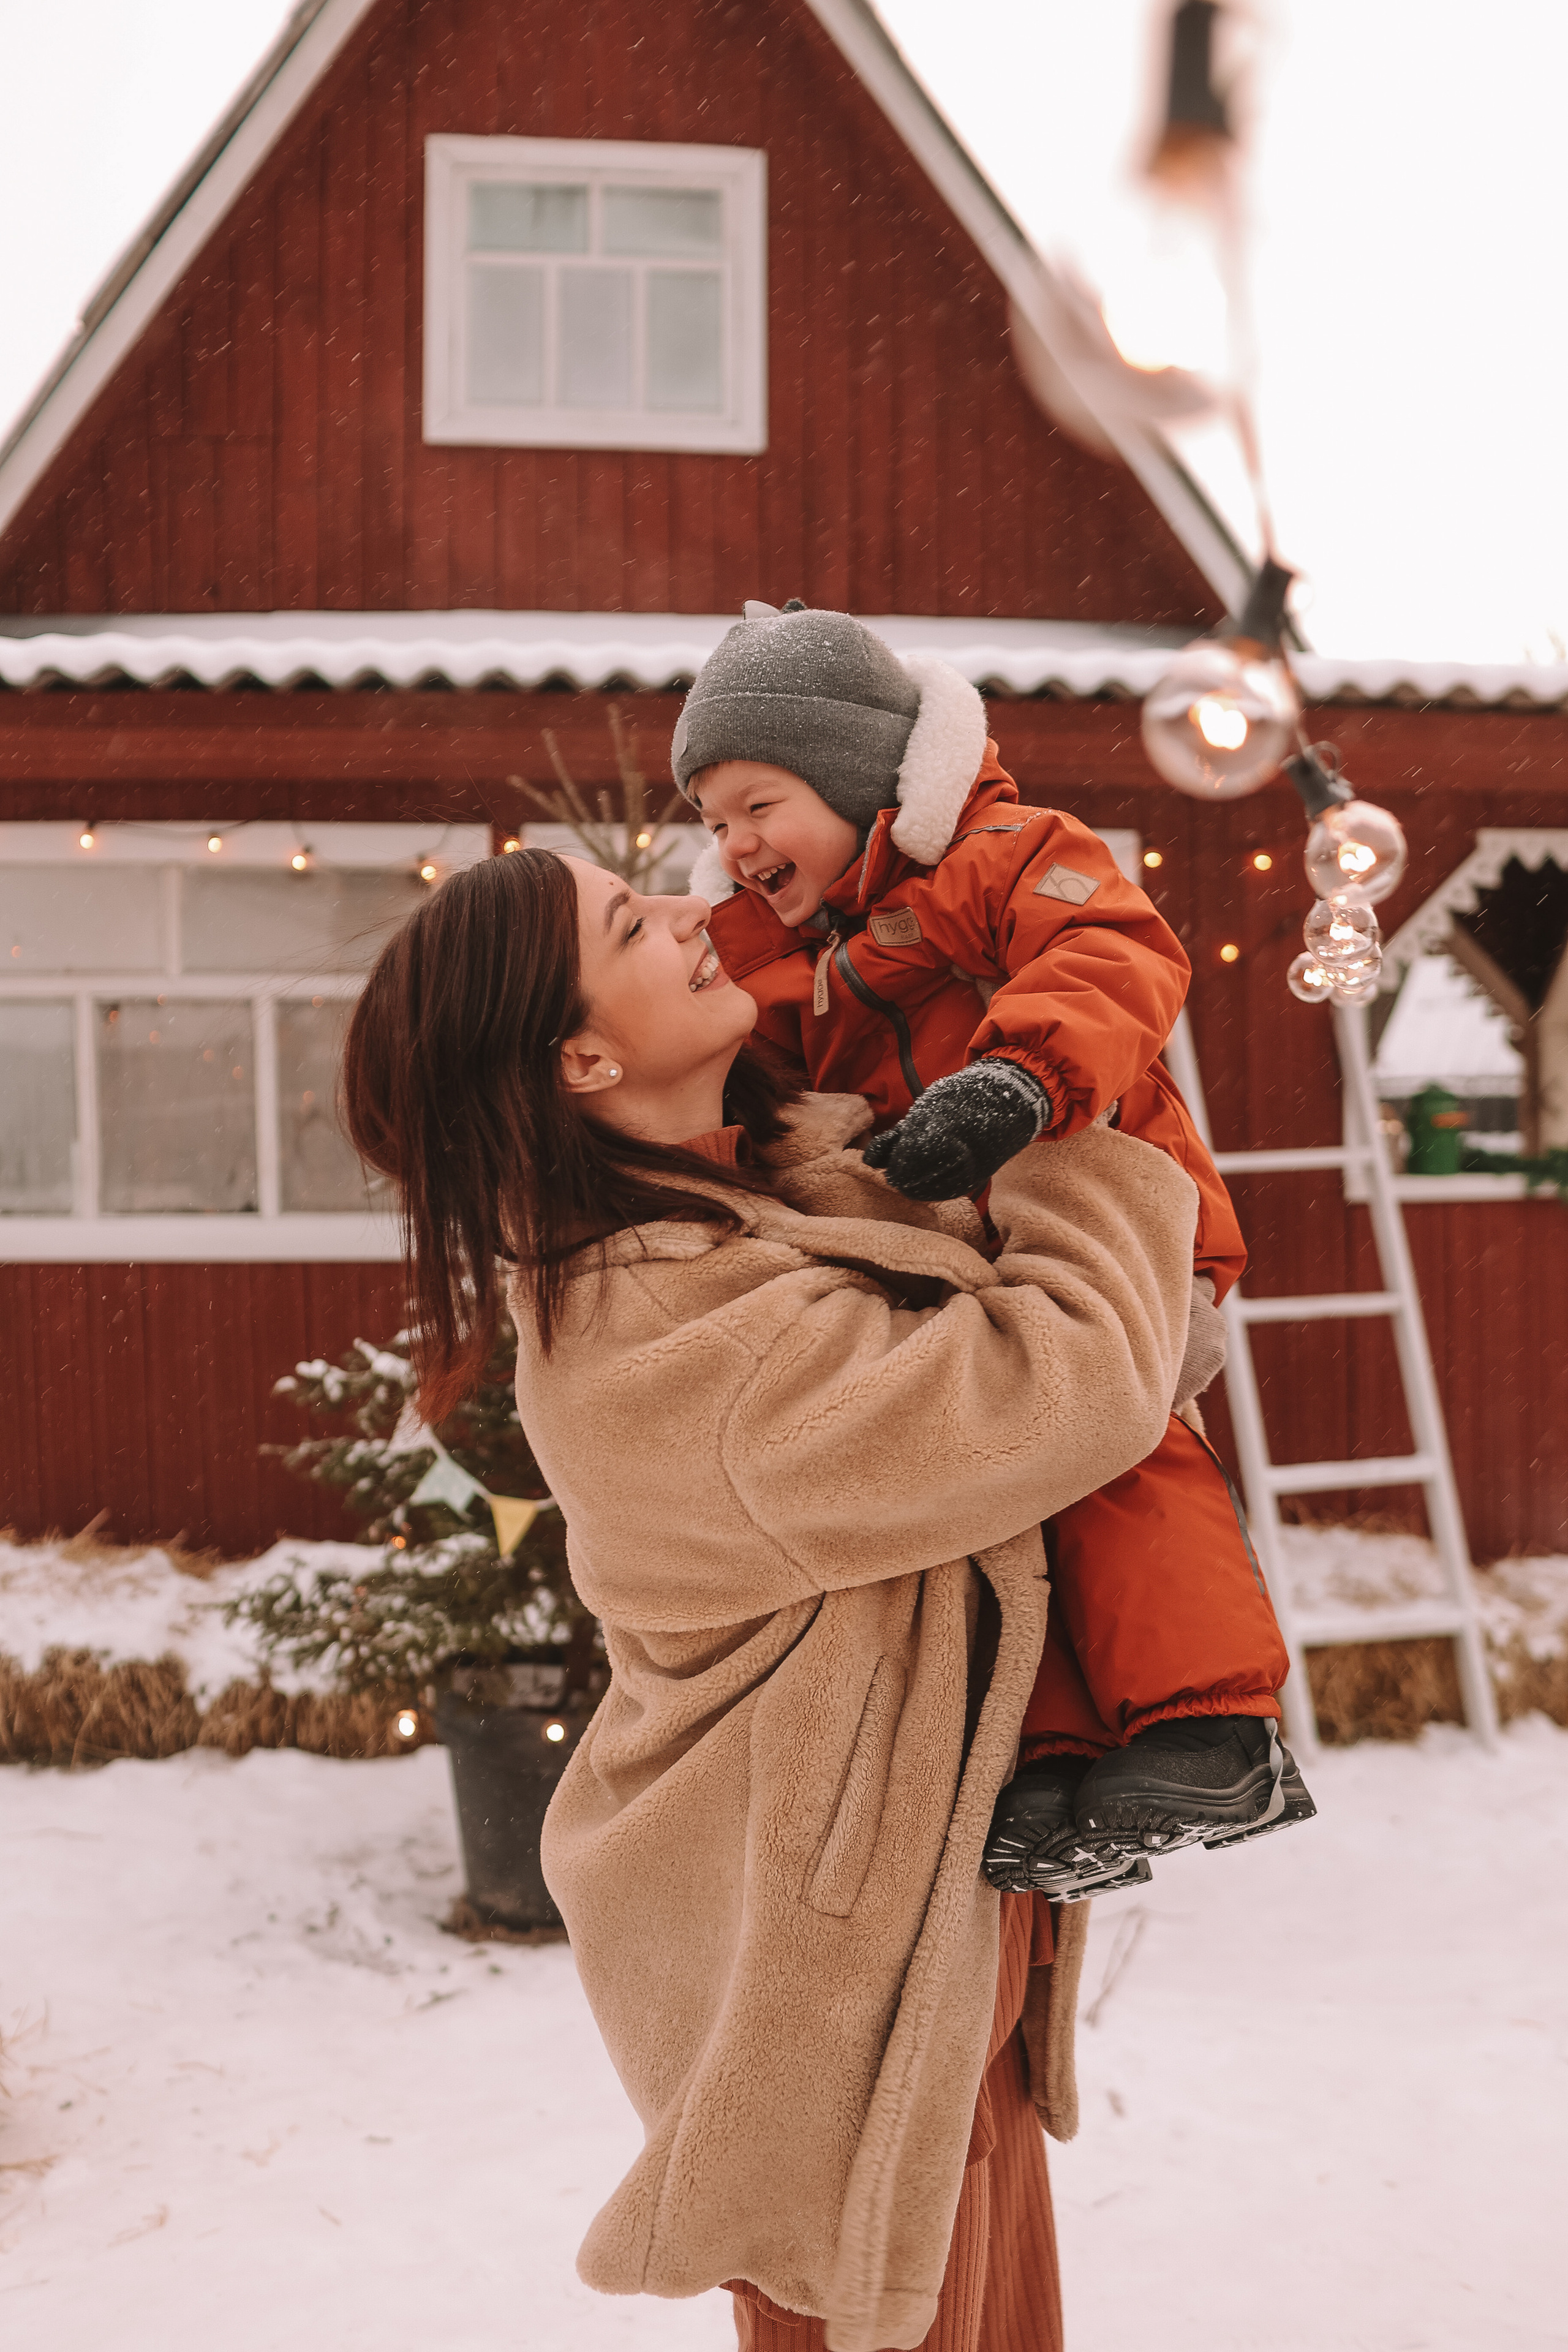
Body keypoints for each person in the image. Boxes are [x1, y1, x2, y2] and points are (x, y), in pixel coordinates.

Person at [341, 845, 1204, 2351]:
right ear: (582, 1057)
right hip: (835, 2006)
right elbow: (1069, 1380)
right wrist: (1067, 1102)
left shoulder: (751, 1209)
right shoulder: (664, 1332)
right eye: (631, 922)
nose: (693, 908)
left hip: (920, 1948)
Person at [673, 602, 1315, 1897]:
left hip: (1117, 1227)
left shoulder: (999, 856)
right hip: (968, 1267)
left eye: (758, 804)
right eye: (709, 818)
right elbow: (739, 1091)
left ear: (860, 782)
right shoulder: (774, 957)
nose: (733, 843)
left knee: (1113, 1442)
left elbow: (1113, 951)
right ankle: (1064, 1755)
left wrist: (1021, 1076)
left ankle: (1212, 1726)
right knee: (1007, 1485)